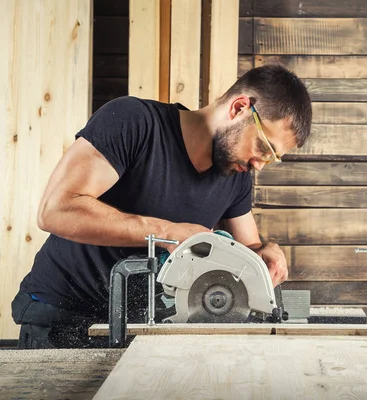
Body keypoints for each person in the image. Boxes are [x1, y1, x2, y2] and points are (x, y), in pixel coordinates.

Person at [11, 65, 312, 349]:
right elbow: (56, 210)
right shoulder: (134, 121)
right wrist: (168, 232)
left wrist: (266, 253)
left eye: (272, 158)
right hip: (62, 318)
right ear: (239, 108)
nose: (259, 164)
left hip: (145, 329)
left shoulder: (235, 175)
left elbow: (250, 249)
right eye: (263, 147)